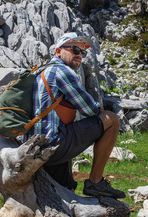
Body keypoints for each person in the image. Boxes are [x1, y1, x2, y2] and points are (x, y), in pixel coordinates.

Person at [24, 32, 126, 199]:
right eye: (74, 50)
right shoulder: (62, 71)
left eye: (82, 52)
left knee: (66, 191)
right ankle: (95, 182)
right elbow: (89, 108)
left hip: (38, 145)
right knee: (112, 120)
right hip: (55, 143)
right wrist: (99, 111)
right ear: (58, 52)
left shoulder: (43, 71)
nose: (79, 55)